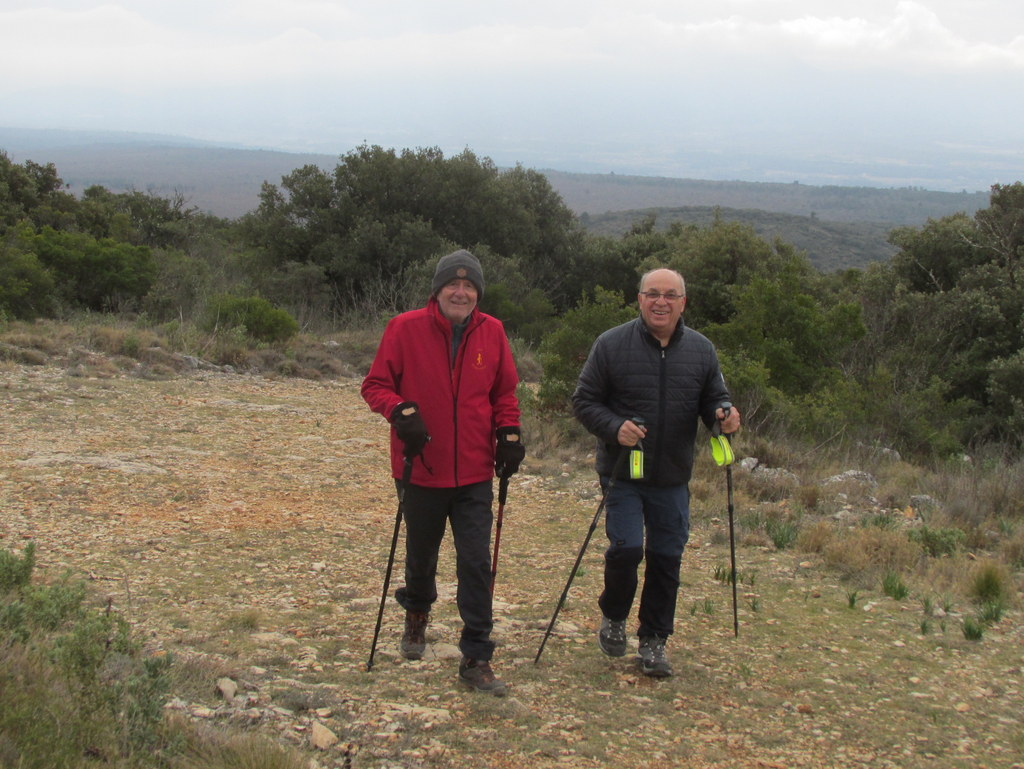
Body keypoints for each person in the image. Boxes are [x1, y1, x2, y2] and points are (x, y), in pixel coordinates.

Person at [361, 249, 525, 696]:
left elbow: (504, 393)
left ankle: (476, 654)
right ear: (437, 291)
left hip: (474, 470)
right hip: (420, 467)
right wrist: (399, 410)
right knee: (422, 553)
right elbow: (374, 385)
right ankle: (416, 614)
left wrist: (508, 432)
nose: (461, 292)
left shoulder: (492, 332)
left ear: (478, 293)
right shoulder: (404, 327)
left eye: (470, 286)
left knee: (475, 562)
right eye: (453, 285)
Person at [571, 267, 740, 678]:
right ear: (639, 298)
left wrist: (724, 416)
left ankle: (653, 641)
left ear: (684, 302)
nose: (660, 302)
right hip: (622, 473)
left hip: (672, 476)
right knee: (627, 549)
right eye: (652, 294)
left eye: (670, 295)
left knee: (667, 558)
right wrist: (615, 427)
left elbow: (713, 398)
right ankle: (613, 616)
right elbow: (584, 401)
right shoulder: (610, 344)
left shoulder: (702, 350)